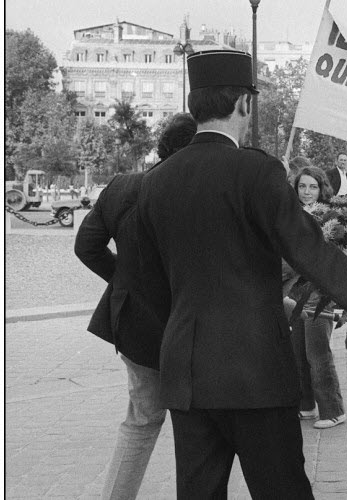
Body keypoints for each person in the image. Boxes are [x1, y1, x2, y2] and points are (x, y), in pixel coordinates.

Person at [135, 49, 347, 498]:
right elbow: (314, 255)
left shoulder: (155, 182)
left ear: (193, 103)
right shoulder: (256, 170)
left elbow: (149, 284)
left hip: (186, 377)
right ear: (244, 103)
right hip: (255, 373)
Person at [74, 112, 194, 500]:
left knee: (141, 421)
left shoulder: (123, 186)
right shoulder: (199, 190)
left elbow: (86, 246)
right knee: (200, 431)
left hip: (136, 326)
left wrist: (127, 281)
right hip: (193, 326)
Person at [282, 164, 347, 430]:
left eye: (313, 186)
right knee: (297, 351)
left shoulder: (331, 218)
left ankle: (333, 410)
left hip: (319, 292)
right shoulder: (288, 215)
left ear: (322, 189)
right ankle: (306, 405)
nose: (307, 192)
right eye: (302, 186)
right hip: (293, 291)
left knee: (317, 353)